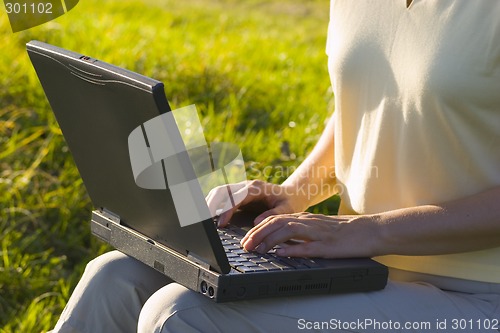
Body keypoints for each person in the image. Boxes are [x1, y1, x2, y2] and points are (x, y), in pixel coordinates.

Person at [51, 1, 500, 332]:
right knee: (114, 277)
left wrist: (368, 229)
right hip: (356, 266)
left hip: (477, 295)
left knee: (181, 316)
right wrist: (292, 193)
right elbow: (368, 108)